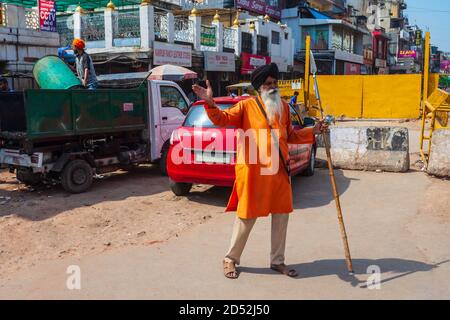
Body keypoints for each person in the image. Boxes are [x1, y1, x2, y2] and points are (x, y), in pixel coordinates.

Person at [192, 63, 327, 279]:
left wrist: (314, 130)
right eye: (267, 84)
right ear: (258, 88)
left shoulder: (283, 107)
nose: (272, 87)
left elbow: (290, 136)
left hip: (279, 171)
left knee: (282, 216)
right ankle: (230, 259)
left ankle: (277, 261)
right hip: (254, 171)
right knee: (246, 217)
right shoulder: (246, 107)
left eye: (274, 83)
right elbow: (222, 119)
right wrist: (209, 102)